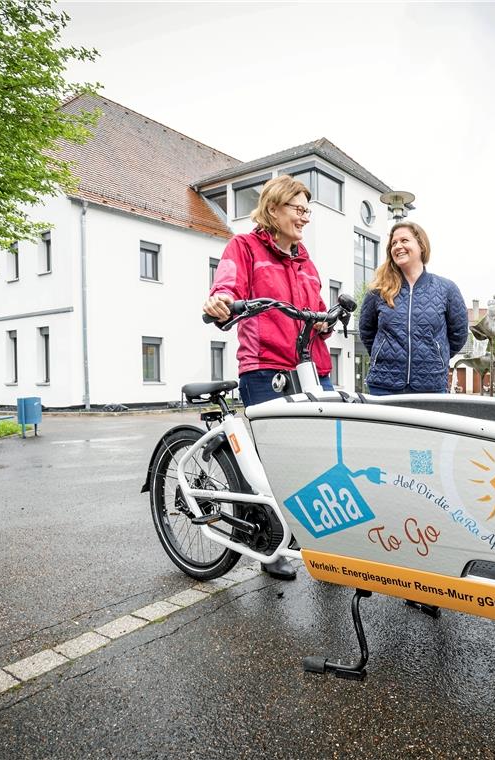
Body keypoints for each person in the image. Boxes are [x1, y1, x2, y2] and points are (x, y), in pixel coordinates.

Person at [203, 174, 334, 581]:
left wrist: (327, 322)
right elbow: (226, 284)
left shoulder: (304, 258)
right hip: (265, 366)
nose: (305, 217)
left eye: (307, 210)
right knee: (270, 463)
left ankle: (321, 542)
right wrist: (221, 301)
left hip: (312, 368)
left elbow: (318, 306)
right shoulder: (243, 247)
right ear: (274, 209)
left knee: (322, 458)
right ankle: (267, 543)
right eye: (299, 209)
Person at [359, 221, 468, 395]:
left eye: (404, 240)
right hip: (384, 385)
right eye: (394, 243)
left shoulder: (446, 289)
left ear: (421, 245)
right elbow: (366, 331)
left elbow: (459, 334)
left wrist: (437, 356)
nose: (398, 246)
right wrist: (383, 354)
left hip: (431, 385)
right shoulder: (378, 290)